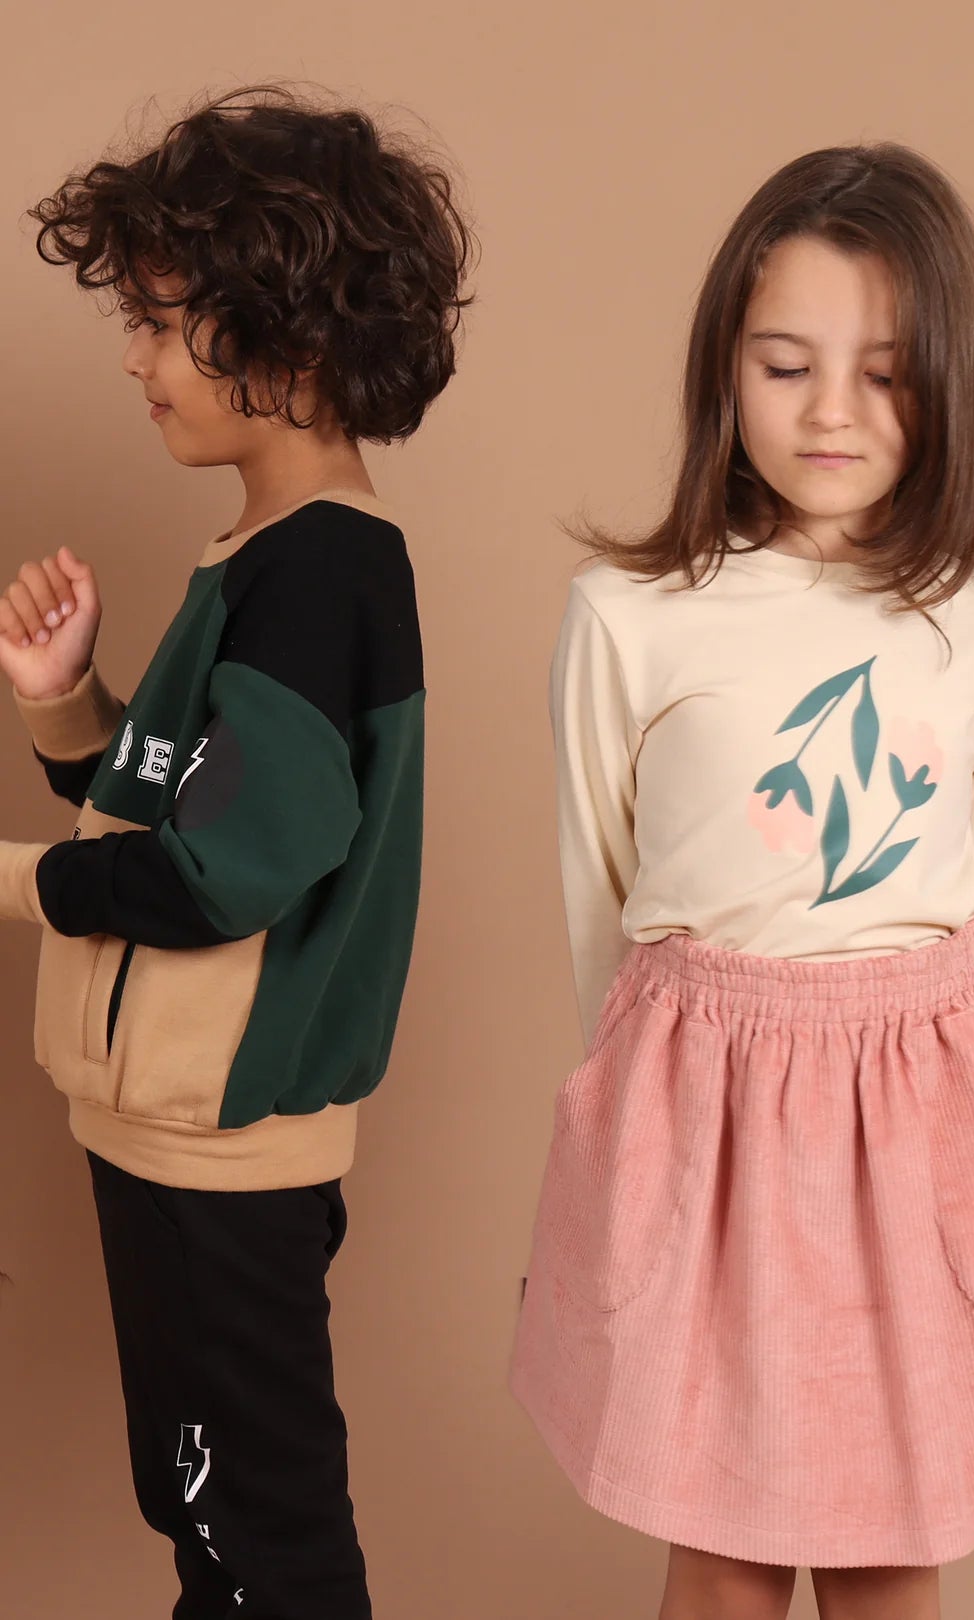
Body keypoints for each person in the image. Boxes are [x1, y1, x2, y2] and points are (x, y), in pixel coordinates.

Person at [509, 145, 974, 1620]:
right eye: (786, 366)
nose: (831, 410)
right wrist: (631, 1144)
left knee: (892, 1547)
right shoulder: (632, 617)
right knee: (718, 1549)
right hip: (699, 1119)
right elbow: (603, 905)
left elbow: (956, 900)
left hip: (910, 1122)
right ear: (725, 371)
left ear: (948, 387)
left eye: (886, 375)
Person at [0, 86, 471, 1620]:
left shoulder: (322, 574)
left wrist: (10, 880)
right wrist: (69, 701)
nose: (133, 359)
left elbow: (221, 878)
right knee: (214, 1531)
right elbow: (178, 810)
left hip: (220, 1153)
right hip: (165, 1140)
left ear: (294, 336)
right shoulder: (265, 561)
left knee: (259, 1543)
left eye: (159, 321)